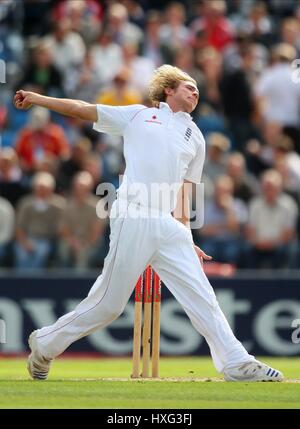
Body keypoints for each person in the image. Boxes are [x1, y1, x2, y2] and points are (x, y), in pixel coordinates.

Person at [14, 65, 283, 382]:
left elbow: (185, 190)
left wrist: (187, 233)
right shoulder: (138, 115)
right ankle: (45, 344)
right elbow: (83, 109)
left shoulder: (196, 136)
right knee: (108, 305)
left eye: (197, 89)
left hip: (169, 226)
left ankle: (236, 362)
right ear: (169, 89)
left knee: (203, 295)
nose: (195, 92)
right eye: (188, 86)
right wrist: (37, 98)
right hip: (134, 213)